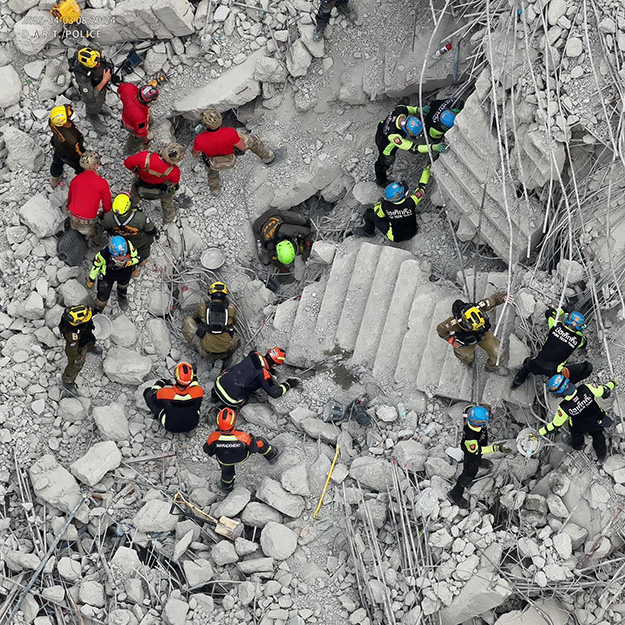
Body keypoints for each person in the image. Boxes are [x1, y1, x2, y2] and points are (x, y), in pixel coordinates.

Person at [192, 108, 276, 194]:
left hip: (214, 163)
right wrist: (241, 138)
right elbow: (242, 148)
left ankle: (215, 189)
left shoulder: (199, 139)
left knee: (212, 172)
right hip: (230, 159)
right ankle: (267, 157)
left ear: (207, 126)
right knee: (252, 141)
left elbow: (195, 154)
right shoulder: (230, 132)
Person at [540, 374, 618, 462]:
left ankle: (578, 446)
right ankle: (601, 456)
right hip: (596, 421)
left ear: (559, 394)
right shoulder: (586, 388)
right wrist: (613, 383)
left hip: (580, 427)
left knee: (575, 434)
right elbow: (605, 391)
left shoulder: (563, 408)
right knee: (598, 437)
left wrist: (540, 432)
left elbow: (554, 426)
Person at [448, 406, 513, 509]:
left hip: (478, 444)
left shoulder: (469, 416)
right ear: (478, 423)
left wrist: (474, 410)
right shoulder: (470, 438)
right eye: (484, 421)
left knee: (477, 457)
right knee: (469, 474)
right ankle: (455, 493)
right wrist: (496, 448)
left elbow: (467, 409)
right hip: (472, 454)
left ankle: (478, 461)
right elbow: (477, 451)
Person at [203, 407, 279, 491]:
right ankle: (271, 455)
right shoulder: (243, 437)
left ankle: (226, 486)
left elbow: (207, 450)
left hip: (225, 460)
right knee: (261, 442)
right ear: (233, 422)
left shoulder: (213, 437)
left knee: (227, 473)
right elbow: (254, 448)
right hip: (243, 457)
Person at [512, 309, 591, 389]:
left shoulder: (556, 325)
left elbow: (549, 312)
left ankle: (517, 381)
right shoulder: (579, 340)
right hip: (554, 370)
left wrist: (563, 309)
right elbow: (584, 344)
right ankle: (557, 389)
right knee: (575, 370)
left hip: (538, 363)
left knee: (527, 365)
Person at [374, 104, 448, 187]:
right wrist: (433, 147)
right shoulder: (394, 136)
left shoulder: (401, 110)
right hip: (385, 146)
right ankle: (381, 181)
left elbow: (407, 109)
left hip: (381, 128)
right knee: (384, 163)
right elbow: (414, 148)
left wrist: (418, 110)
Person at [437, 292, 509, 373]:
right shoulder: (453, 323)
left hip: (482, 333)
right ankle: (468, 363)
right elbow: (440, 329)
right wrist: (451, 340)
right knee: (465, 356)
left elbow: (493, 300)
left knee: (498, 354)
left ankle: (491, 368)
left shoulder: (479, 307)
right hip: (465, 341)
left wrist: (503, 297)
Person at [355, 165, 431, 241]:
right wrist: (426, 170)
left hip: (395, 237)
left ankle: (368, 231)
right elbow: (422, 187)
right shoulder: (412, 202)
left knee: (368, 213)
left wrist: (379, 202)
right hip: (412, 232)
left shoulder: (385, 206)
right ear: (404, 195)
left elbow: (378, 214)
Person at [213, 347, 300, 408]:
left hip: (218, 384)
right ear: (274, 365)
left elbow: (255, 364)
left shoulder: (254, 354)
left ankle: (213, 397)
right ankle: (221, 409)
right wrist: (288, 384)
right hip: (230, 399)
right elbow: (274, 393)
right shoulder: (263, 374)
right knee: (245, 399)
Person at [182, 281, 241, 366]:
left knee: (187, 320)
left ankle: (199, 348)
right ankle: (225, 358)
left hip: (207, 352)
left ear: (211, 294)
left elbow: (195, 319)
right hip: (226, 351)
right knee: (237, 339)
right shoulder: (231, 309)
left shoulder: (203, 307)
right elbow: (234, 323)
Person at [124, 143, 185, 223]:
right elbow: (173, 183)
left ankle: (131, 206)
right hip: (158, 191)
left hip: (141, 185)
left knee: (134, 192)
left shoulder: (143, 157)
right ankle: (169, 218)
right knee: (168, 197)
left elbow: (127, 163)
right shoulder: (174, 171)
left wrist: (135, 171)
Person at [101, 192, 158, 277]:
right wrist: (155, 233)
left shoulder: (108, 217)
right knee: (145, 247)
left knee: (123, 256)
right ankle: (141, 261)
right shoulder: (139, 218)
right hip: (139, 241)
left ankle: (132, 269)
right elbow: (150, 229)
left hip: (122, 242)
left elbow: (106, 228)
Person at [143, 362, 204, 433]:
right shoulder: (198, 391)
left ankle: (158, 415)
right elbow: (195, 385)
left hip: (171, 426)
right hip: (193, 424)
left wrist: (161, 382)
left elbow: (152, 397)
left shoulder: (165, 393)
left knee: (148, 393)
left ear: (175, 377)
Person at [66, 151, 111, 245]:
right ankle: (93, 243)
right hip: (88, 221)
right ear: (95, 166)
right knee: (94, 233)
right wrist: (104, 216)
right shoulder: (102, 183)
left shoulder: (75, 180)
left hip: (72, 217)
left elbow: (70, 199)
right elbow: (107, 206)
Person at [252, 208, 314, 276]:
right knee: (265, 261)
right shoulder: (271, 247)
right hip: (259, 225)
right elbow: (274, 261)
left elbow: (306, 232)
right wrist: (285, 271)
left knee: (304, 222)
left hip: (268, 216)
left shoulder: (286, 231)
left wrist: (307, 248)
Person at [87, 236, 139, 313]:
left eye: (124, 255)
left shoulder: (128, 246)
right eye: (119, 256)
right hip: (107, 276)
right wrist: (91, 279)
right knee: (102, 295)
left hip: (125, 272)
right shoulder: (103, 255)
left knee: (123, 285)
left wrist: (130, 262)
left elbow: (137, 257)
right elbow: (96, 267)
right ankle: (98, 308)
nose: (122, 258)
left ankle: (122, 296)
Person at [59, 305, 102, 396]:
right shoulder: (72, 334)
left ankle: (89, 348)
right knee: (76, 364)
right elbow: (71, 350)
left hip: (86, 336)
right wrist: (77, 357)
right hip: (79, 346)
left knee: (90, 342)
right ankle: (67, 380)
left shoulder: (79, 313)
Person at [70, 46, 113, 135]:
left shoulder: (93, 53)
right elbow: (90, 96)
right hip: (92, 89)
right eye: (96, 64)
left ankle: (99, 108)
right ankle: (92, 115)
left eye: (98, 61)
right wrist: (104, 80)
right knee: (93, 102)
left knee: (102, 97)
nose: (99, 64)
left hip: (99, 80)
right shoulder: (82, 76)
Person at [49, 104, 84, 189]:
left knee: (57, 162)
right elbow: (77, 152)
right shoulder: (71, 139)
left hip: (58, 147)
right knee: (80, 168)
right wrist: (83, 157)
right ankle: (84, 178)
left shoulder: (52, 121)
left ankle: (55, 176)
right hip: (71, 155)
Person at [118, 82, 160, 155]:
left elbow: (120, 89)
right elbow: (140, 133)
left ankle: (148, 129)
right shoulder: (140, 117)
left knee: (151, 121)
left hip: (126, 115)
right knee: (136, 138)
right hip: (131, 125)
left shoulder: (129, 88)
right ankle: (129, 150)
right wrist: (146, 142)